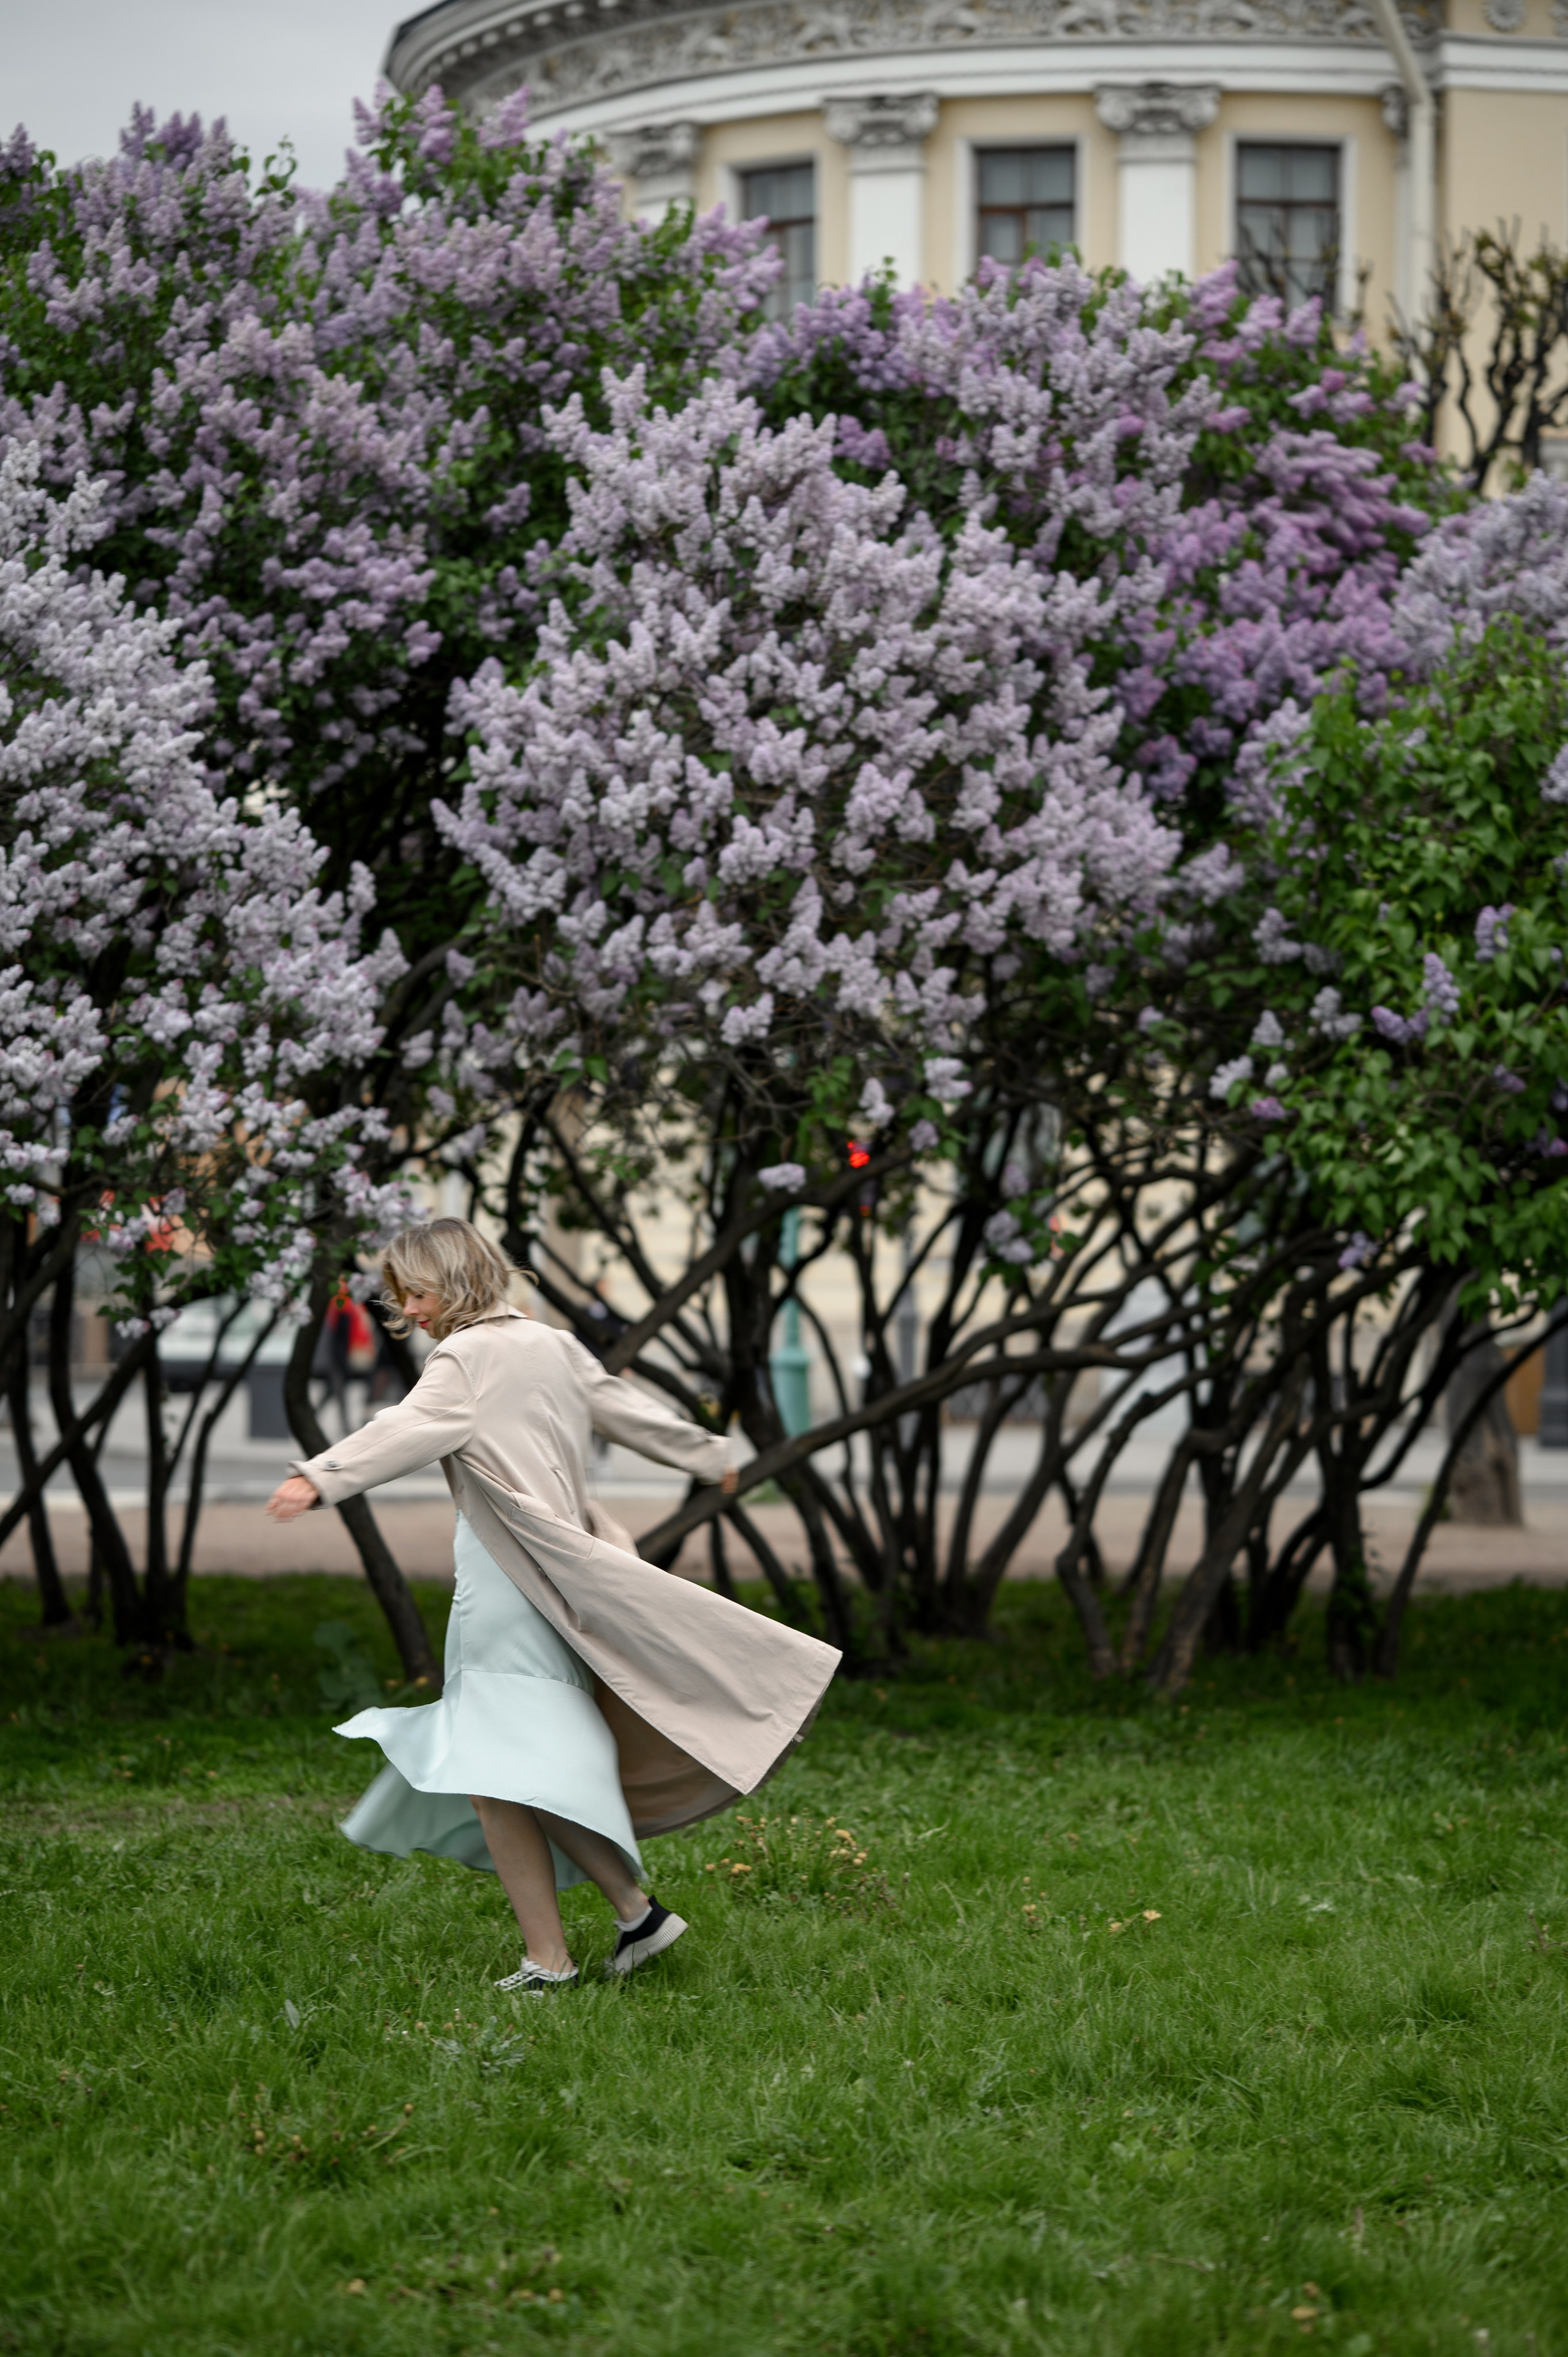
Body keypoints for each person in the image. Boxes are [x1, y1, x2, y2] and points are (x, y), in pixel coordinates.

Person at [265, 1218, 839, 1992]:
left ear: (457, 1282)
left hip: (506, 1583)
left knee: (503, 1768)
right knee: (509, 1768)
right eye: (405, 1298)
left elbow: (404, 1426)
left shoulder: (462, 1357)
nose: (414, 1311)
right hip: (564, 1578)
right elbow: (623, 1410)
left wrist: (320, 1475)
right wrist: (706, 1452)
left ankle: (555, 1956)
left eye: (421, 1293)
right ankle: (632, 1918)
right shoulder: (553, 1344)